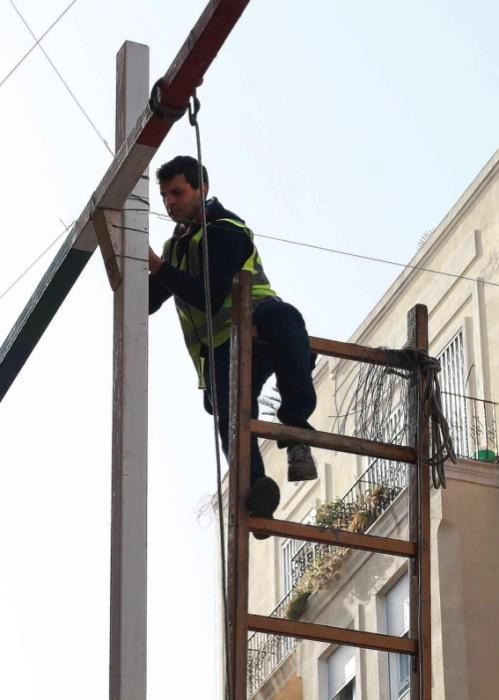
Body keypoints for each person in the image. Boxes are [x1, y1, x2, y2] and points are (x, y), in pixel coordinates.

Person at [148, 155, 317, 532]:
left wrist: (157, 267)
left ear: (201, 189)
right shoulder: (175, 248)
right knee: (229, 415)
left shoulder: (227, 229)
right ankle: (255, 493)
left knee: (287, 322)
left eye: (177, 192)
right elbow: (147, 300)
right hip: (221, 348)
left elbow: (208, 292)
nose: (169, 203)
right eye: (164, 196)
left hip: (258, 321)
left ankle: (296, 429)